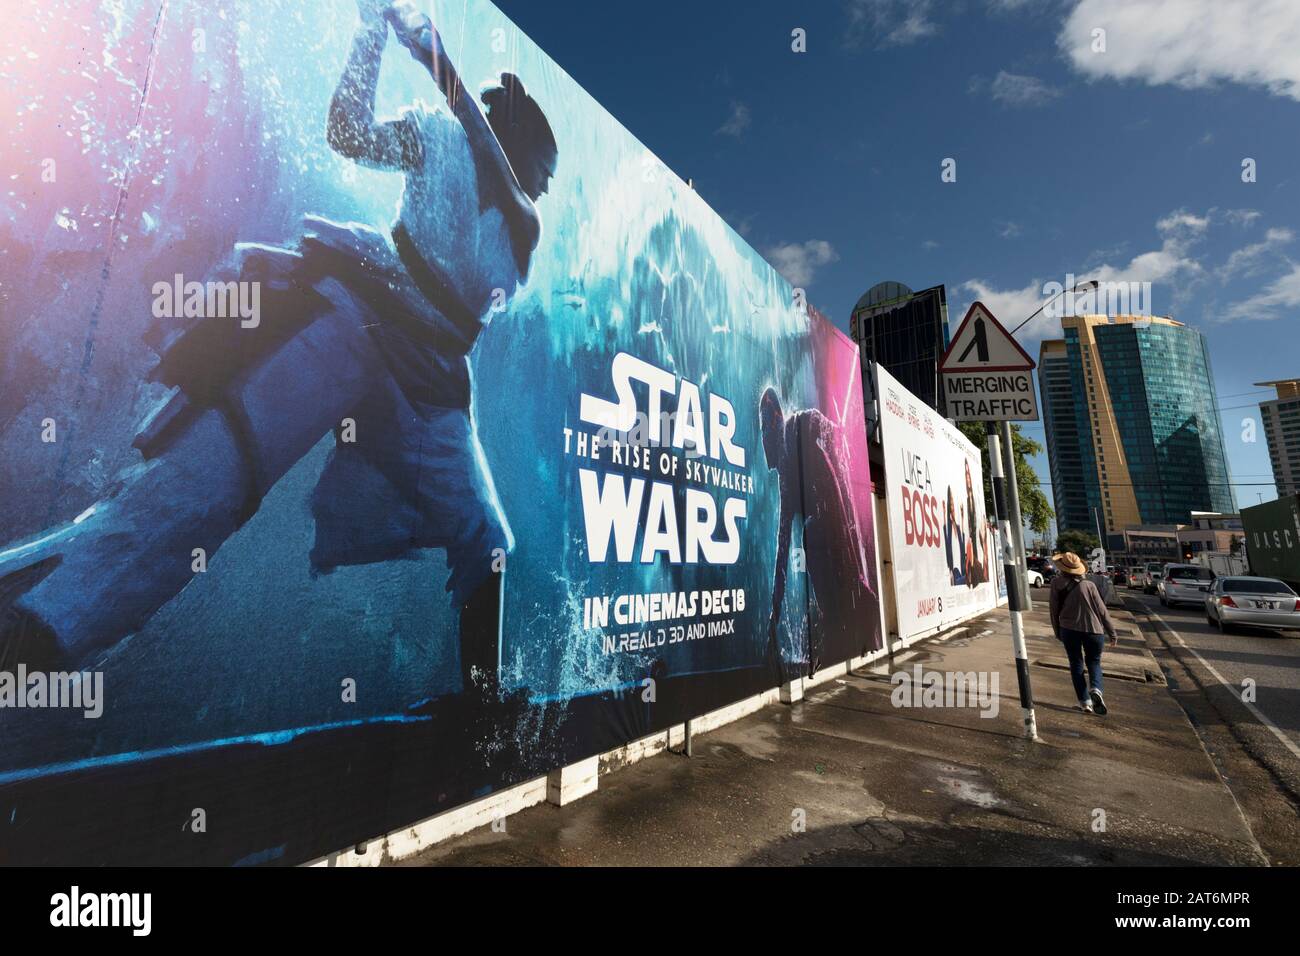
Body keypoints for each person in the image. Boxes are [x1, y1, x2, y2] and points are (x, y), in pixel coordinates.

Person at [0, 0, 557, 700]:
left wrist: (436, 59)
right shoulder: (437, 137)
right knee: (203, 490)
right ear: (520, 143)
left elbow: (504, 182)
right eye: (544, 165)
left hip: (432, 382)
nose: (545, 183)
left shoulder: (522, 220)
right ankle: (39, 634)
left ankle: (482, 703)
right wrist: (369, 38)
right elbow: (347, 133)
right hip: (356, 318)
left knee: (487, 540)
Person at [760, 387, 880, 677]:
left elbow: (835, 435)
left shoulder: (802, 422)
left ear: (775, 420)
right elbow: (781, 546)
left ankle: (845, 637)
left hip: (834, 528)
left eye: (766, 427)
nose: (765, 439)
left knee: (816, 540)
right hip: (831, 534)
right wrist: (773, 617)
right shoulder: (787, 476)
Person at [1048, 551, 1118, 714]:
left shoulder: (1056, 583)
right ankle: (1096, 689)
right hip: (1094, 631)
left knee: (1076, 664)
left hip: (1069, 630)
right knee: (1094, 662)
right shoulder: (1089, 585)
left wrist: (1057, 631)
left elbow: (1053, 610)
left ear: (1062, 568)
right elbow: (1102, 611)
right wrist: (1112, 633)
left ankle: (1085, 702)